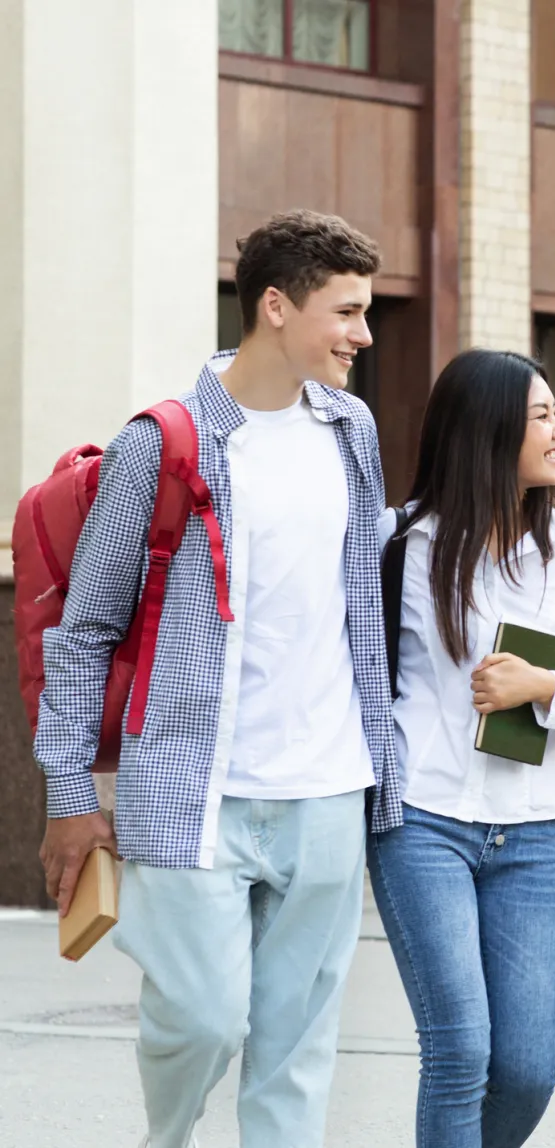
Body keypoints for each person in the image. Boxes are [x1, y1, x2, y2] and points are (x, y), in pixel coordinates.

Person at [35, 210, 397, 1148]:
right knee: (202, 1021)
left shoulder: (351, 430)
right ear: (276, 307)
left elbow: (362, 601)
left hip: (328, 789)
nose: (364, 334)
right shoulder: (165, 444)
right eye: (347, 312)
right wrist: (70, 793)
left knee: (295, 1055)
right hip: (197, 792)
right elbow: (85, 633)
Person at [368, 350, 555, 1145]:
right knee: (459, 1051)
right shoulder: (401, 542)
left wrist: (542, 689)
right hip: (424, 821)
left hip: (535, 830)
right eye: (542, 416)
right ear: (487, 431)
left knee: (526, 1069)